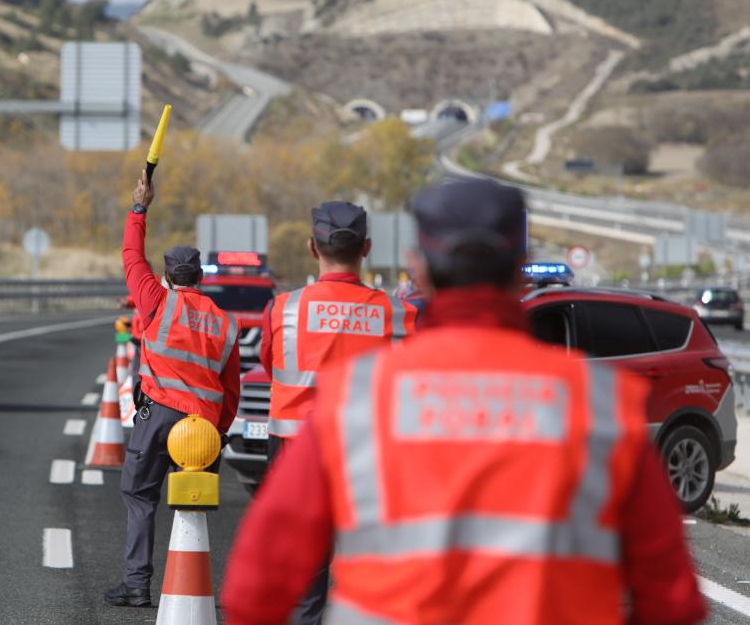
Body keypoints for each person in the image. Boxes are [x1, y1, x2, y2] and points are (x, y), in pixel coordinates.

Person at [222, 179, 705, 625]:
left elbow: (253, 589)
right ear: (521, 263)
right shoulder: (600, 403)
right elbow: (673, 600)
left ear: (419, 266)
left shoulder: (357, 401)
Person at [255, 201, 418, 624]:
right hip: (367, 459)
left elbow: (271, 366)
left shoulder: (284, 309)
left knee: (304, 579)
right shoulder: (399, 314)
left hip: (295, 454)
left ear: (313, 247)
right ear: (366, 248)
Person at [105, 168, 242, 609]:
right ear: (200, 277)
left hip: (159, 415)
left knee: (140, 495)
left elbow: (131, 255)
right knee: (193, 507)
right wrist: (219, 432)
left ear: (167, 277)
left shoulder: (156, 301)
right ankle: (193, 587)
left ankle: (137, 584)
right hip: (203, 424)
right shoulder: (225, 322)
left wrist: (139, 207)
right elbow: (232, 389)